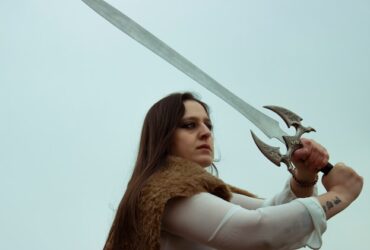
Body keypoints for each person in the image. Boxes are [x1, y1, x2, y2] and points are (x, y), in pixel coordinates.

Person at [103, 92, 363, 250]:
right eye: (189, 125)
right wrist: (341, 194)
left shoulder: (200, 191)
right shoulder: (160, 193)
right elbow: (256, 232)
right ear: (163, 137)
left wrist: (304, 178)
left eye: (208, 124)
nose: (205, 132)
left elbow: (269, 213)